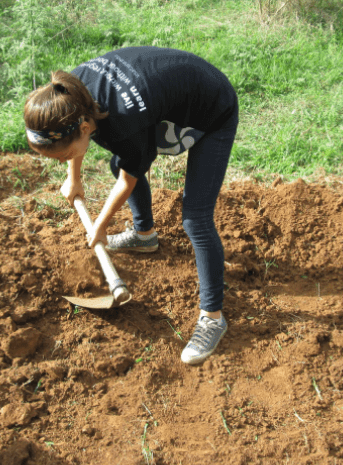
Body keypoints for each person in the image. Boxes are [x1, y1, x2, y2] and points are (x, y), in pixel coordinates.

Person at [23, 46, 238, 365]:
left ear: (84, 128)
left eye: (64, 156)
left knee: (196, 220)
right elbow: (95, 152)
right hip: (173, 91)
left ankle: (213, 317)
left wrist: (100, 225)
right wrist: (74, 176)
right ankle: (145, 235)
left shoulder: (125, 121)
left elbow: (129, 179)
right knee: (120, 161)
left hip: (213, 106)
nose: (65, 161)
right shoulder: (71, 91)